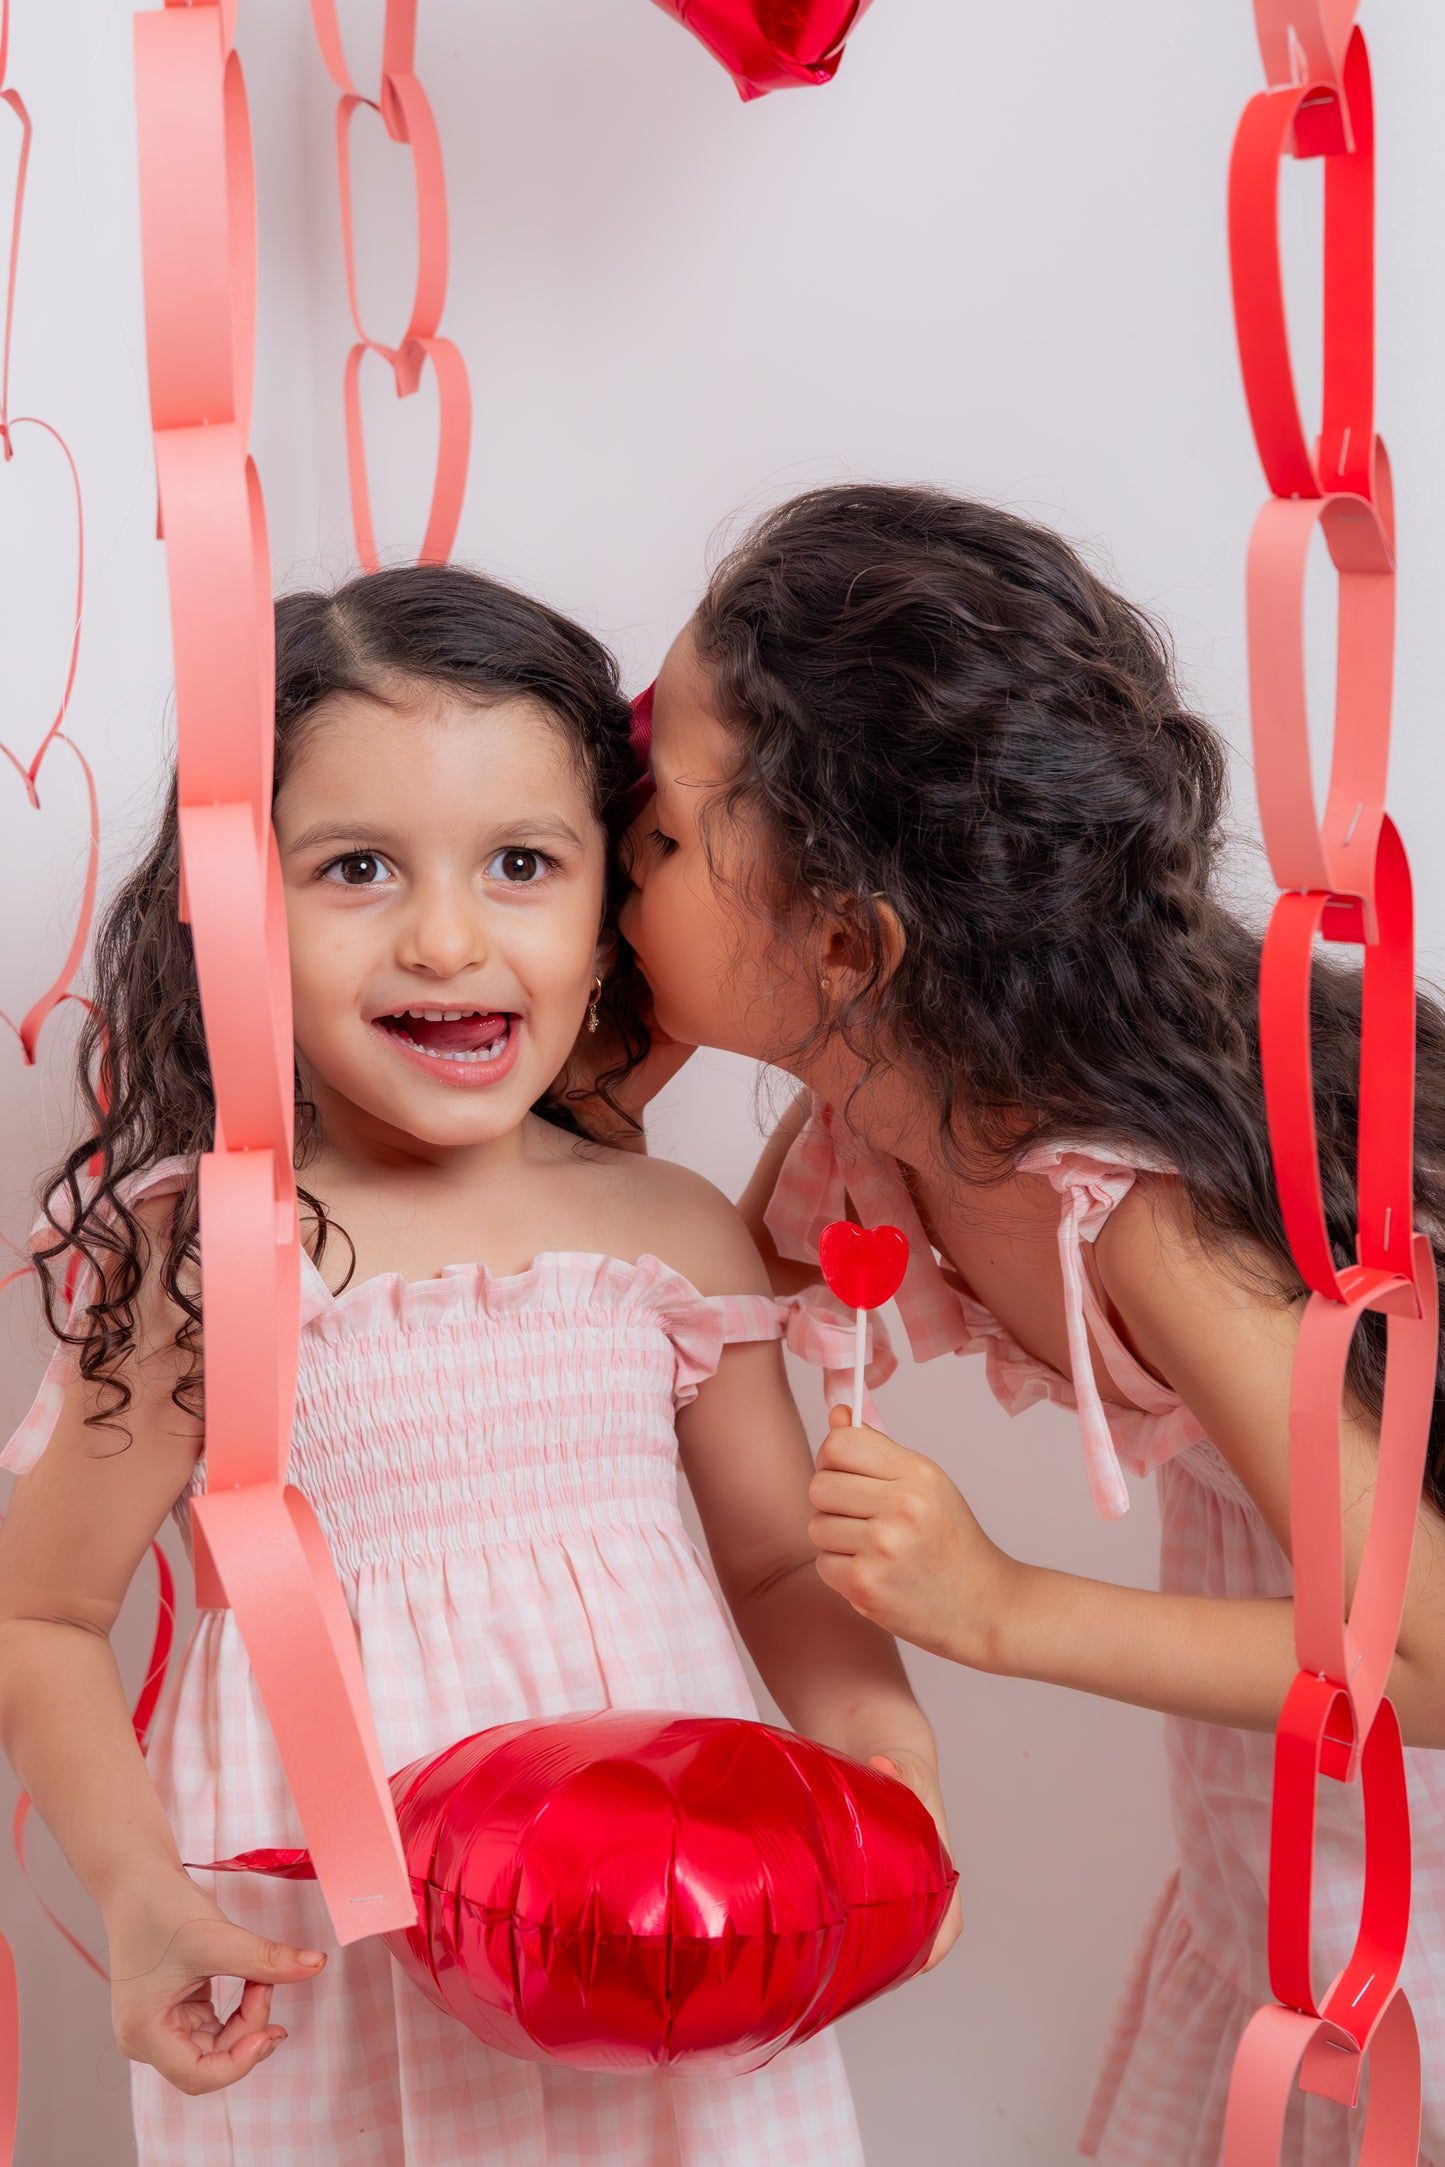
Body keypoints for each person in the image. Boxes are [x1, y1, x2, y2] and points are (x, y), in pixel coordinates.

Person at [0, 563, 956, 2167]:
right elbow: (40, 1611)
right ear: (235, 905)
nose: (446, 939)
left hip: (668, 1928)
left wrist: (883, 1770)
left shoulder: (670, 1235)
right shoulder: (221, 1259)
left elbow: (781, 1560)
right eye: (357, 867)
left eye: (521, 863)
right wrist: (143, 1895)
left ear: (607, 912)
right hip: (327, 1956)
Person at [610, 482, 1445, 2166]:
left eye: (658, 832)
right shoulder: (873, 1104)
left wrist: (996, 1608)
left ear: (843, 941)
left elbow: (1417, 1658)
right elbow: (679, 1366)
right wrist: (588, 1094)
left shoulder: (1136, 1200)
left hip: (1398, 1867)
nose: (609, 847)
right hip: (1271, 1833)